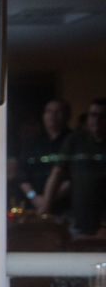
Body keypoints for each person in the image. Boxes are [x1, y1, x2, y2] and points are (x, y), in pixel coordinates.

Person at [40, 97, 106, 236]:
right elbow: (57, 174)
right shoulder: (76, 140)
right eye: (93, 115)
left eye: (102, 116)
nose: (97, 120)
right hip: (81, 220)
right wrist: (44, 210)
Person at [18, 99, 71, 214]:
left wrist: (48, 199)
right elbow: (23, 177)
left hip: (66, 207)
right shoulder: (32, 144)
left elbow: (73, 178)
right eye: (49, 111)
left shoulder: (73, 141)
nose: (53, 115)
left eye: (58, 111)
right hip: (35, 206)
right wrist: (34, 197)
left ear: (67, 116)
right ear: (43, 115)